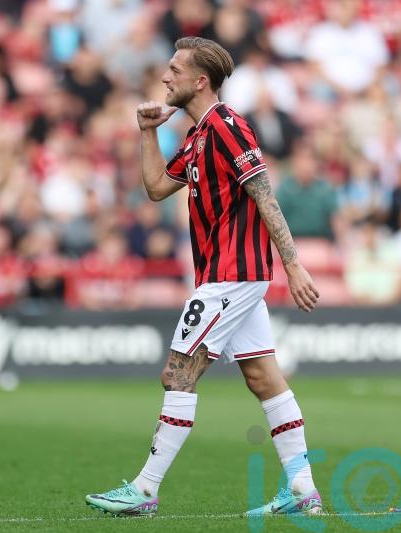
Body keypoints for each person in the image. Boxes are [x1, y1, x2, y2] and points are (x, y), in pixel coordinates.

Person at [85, 37, 322, 517]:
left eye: (174, 69)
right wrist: (148, 131)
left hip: (231, 276)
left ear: (200, 81)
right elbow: (155, 188)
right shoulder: (196, 136)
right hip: (228, 276)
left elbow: (264, 194)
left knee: (178, 373)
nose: (165, 76)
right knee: (263, 378)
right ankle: (303, 491)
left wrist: (293, 264)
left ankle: (145, 490)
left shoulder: (228, 126)